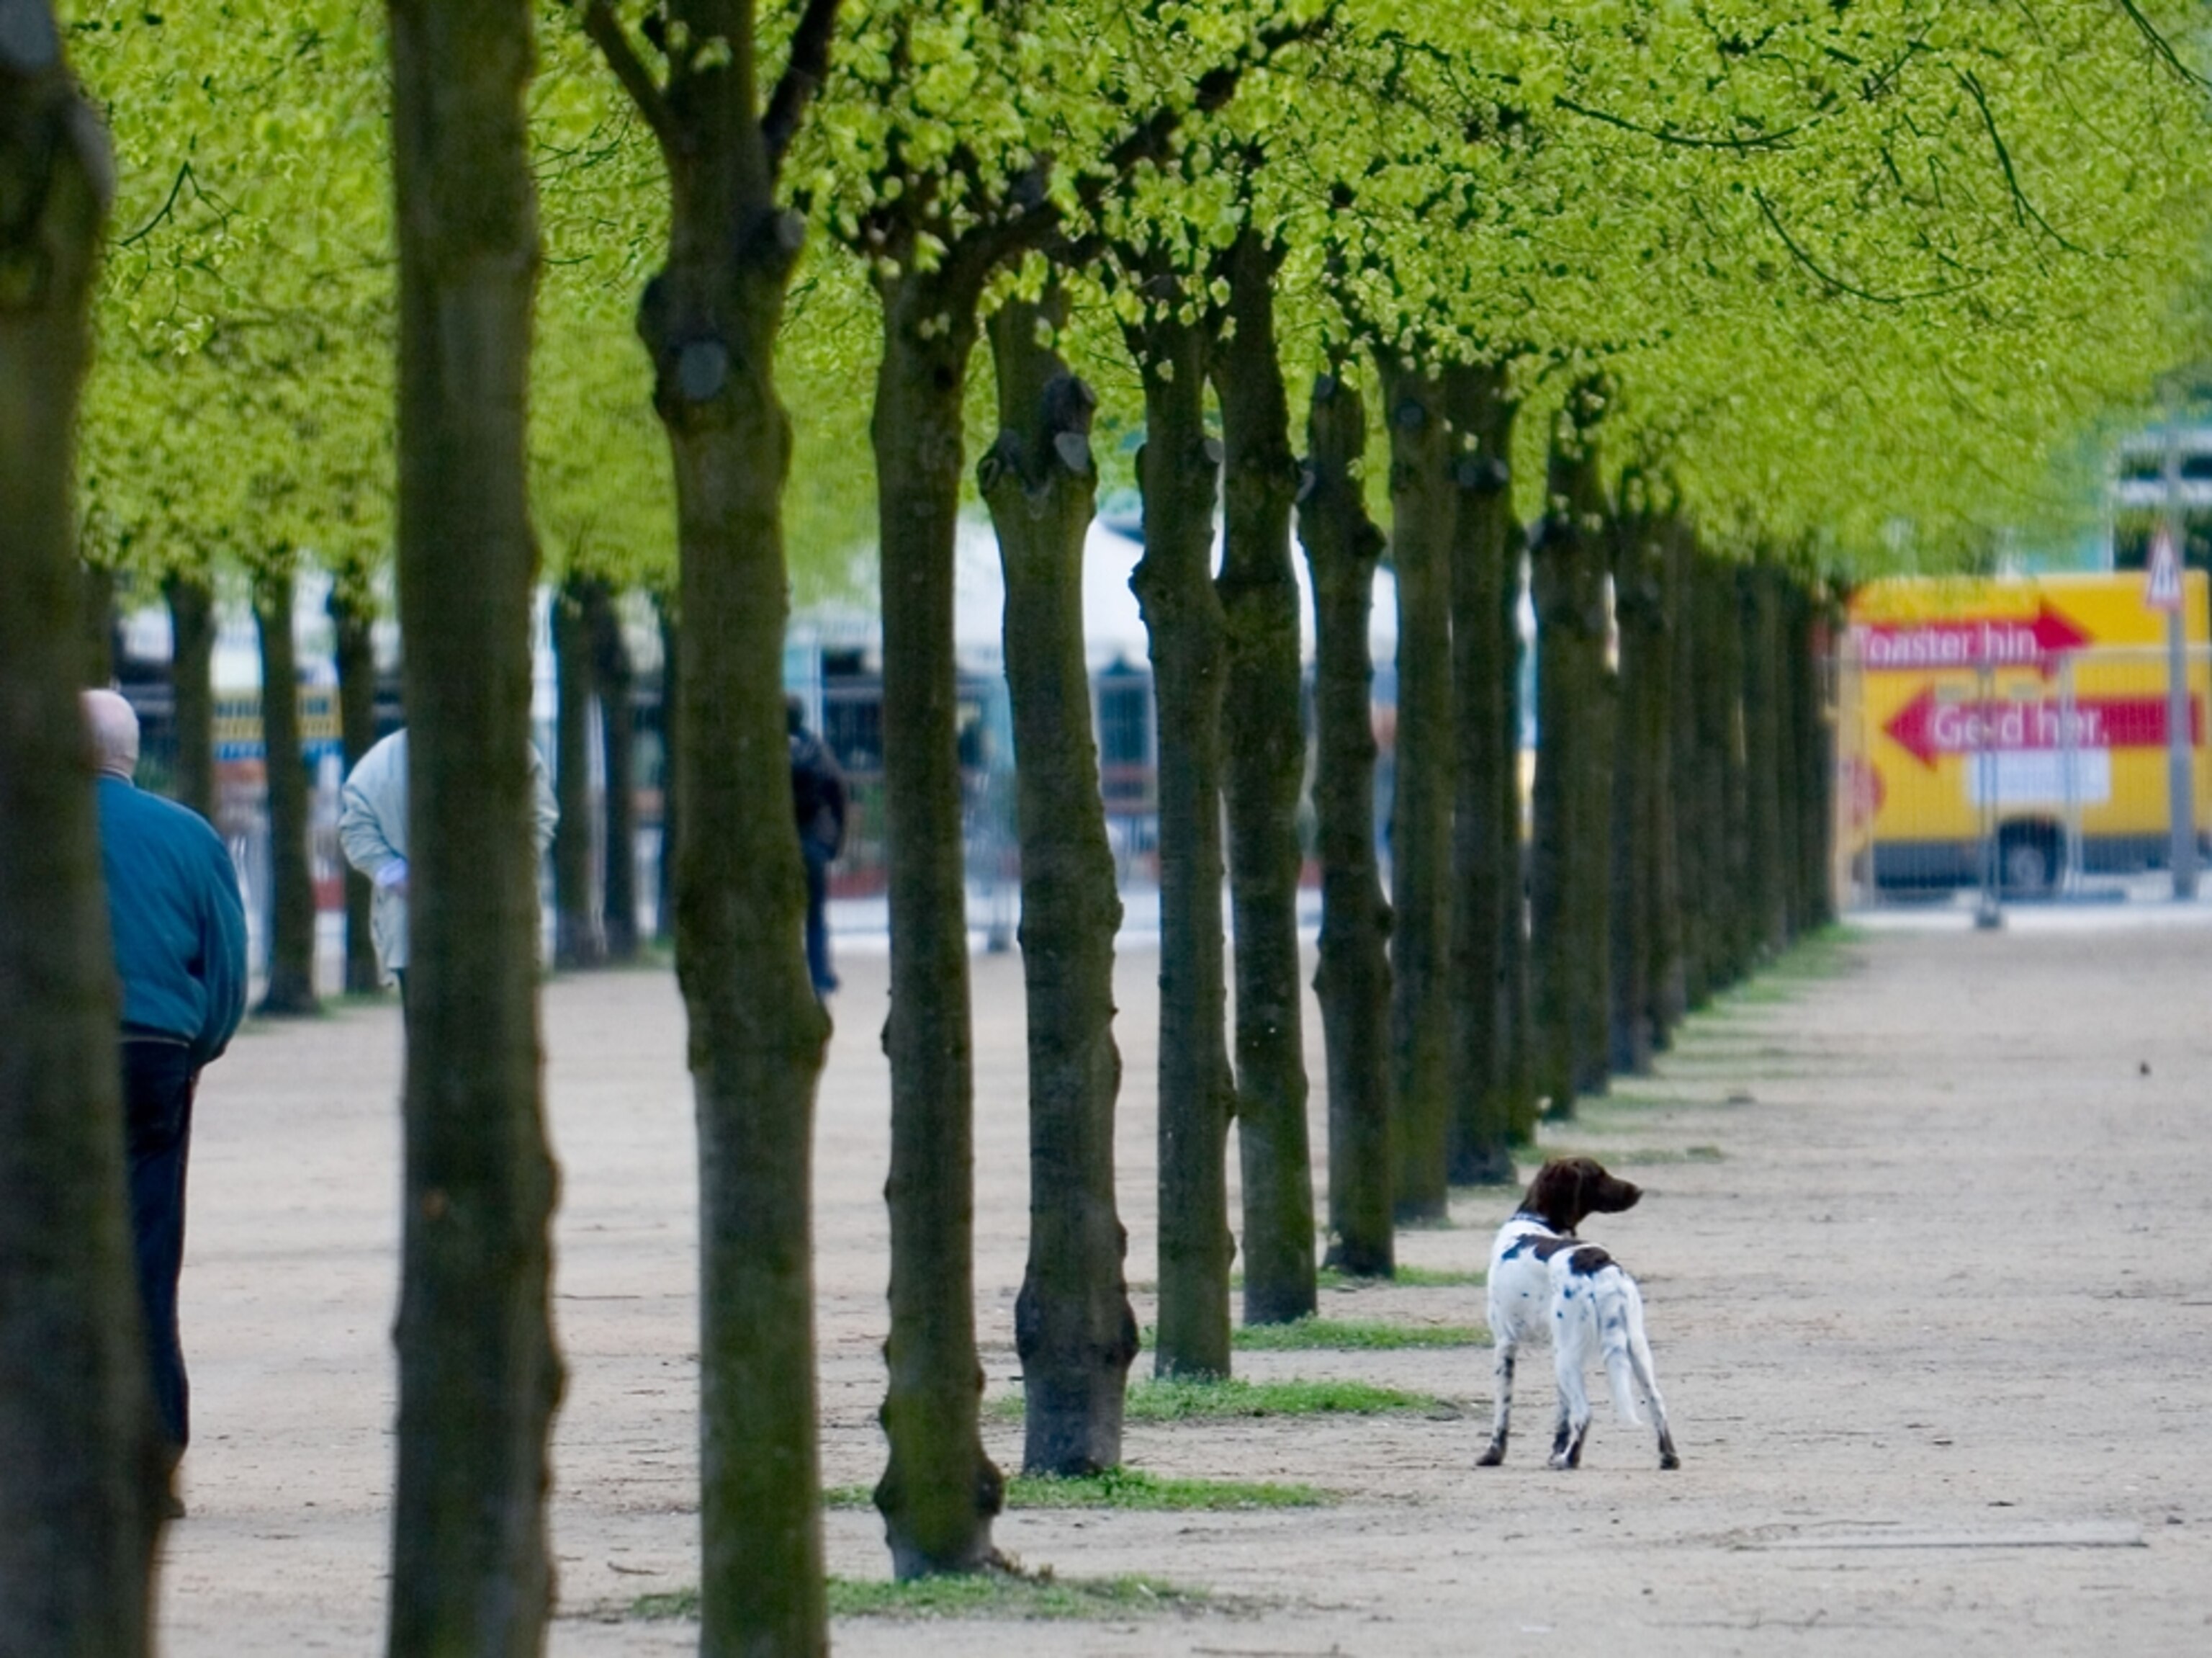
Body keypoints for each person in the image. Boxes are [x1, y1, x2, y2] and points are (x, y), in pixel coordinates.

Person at [83, 689, 248, 1518]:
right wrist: (196, 1052)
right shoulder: (189, 835)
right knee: (147, 1252)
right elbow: (225, 971)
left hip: (43, 1061)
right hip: (153, 1052)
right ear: (131, 752)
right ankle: (153, 1454)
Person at [336, 726, 558, 999]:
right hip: (495, 923)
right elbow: (540, 818)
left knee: (430, 1032)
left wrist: (395, 874)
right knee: (494, 1031)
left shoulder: (379, 761)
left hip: (414, 928)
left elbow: (355, 829)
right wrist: (505, 868)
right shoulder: (511, 749)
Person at [789, 697, 848, 995]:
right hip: (813, 841)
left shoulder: (766, 753)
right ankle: (820, 973)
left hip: (781, 841)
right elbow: (838, 793)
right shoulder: (817, 751)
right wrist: (836, 840)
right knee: (815, 914)